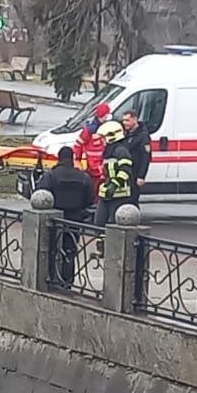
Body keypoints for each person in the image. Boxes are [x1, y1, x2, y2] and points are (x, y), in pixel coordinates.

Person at [36, 146, 97, 286]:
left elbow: (40, 193)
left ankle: (52, 279)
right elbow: (90, 199)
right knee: (70, 251)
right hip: (75, 219)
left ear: (59, 158)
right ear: (72, 159)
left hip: (54, 220)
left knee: (53, 249)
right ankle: (67, 281)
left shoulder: (51, 175)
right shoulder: (83, 176)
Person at [93, 119, 133, 226]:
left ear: (111, 136)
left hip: (119, 196)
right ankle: (101, 242)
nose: (102, 141)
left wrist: (114, 185)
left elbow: (125, 171)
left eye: (103, 138)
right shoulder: (108, 152)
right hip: (106, 194)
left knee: (112, 224)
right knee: (99, 222)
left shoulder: (121, 151)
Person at [73, 101, 111, 198]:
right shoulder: (89, 130)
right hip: (91, 167)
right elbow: (78, 144)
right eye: (105, 116)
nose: (107, 118)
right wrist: (77, 160)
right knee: (93, 192)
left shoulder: (107, 128)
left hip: (102, 166)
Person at [121, 110, 151, 206]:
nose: (124, 123)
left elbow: (146, 157)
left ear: (135, 119)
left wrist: (141, 176)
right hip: (126, 173)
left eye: (127, 120)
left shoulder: (143, 136)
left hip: (135, 173)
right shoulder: (126, 133)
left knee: (133, 200)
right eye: (123, 120)